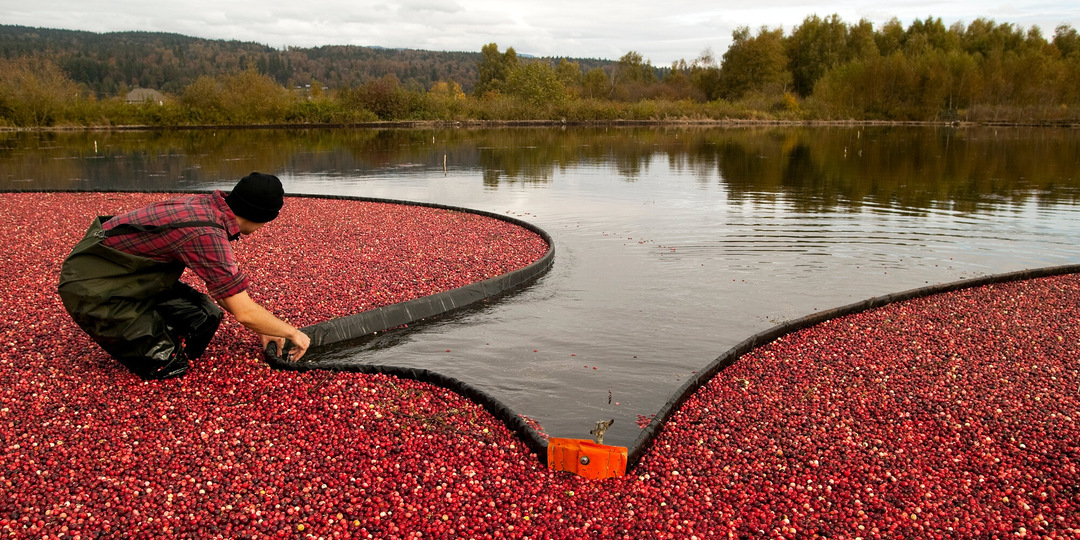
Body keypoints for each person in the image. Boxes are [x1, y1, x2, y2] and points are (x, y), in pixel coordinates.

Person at [58, 172, 310, 379]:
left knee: (204, 318)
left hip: (131, 275)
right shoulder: (206, 233)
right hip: (93, 287)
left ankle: (153, 333)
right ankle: (149, 344)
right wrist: (291, 332)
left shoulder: (208, 206)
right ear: (262, 217)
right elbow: (243, 310)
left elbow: (226, 293)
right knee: (166, 364)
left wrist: (264, 328)